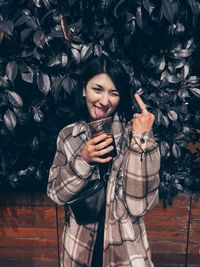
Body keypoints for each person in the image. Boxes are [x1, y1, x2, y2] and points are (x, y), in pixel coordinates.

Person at [47, 55, 160, 267]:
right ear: (83, 90)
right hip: (79, 249)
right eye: (97, 89)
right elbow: (56, 193)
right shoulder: (69, 136)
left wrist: (141, 140)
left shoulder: (133, 135)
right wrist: (83, 159)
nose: (104, 100)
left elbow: (138, 206)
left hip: (125, 252)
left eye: (113, 93)